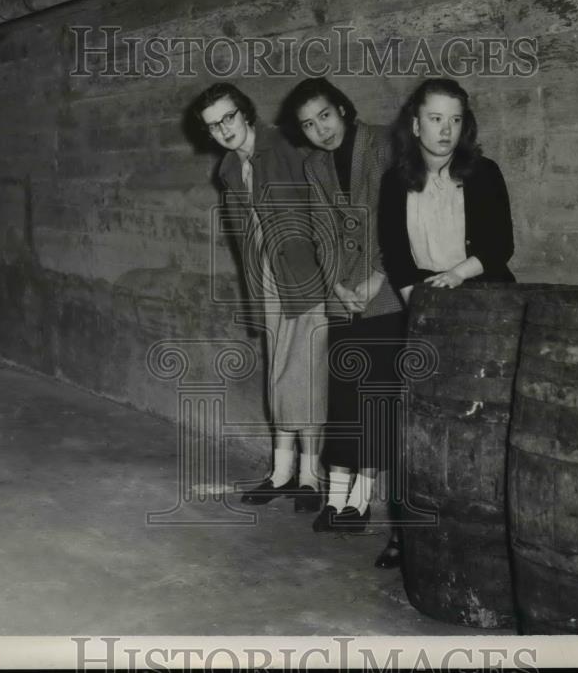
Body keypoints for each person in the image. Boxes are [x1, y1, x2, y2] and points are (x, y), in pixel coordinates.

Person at [378, 77, 515, 566]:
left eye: (455, 120)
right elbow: (395, 249)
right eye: (435, 119)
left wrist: (457, 276)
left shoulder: (484, 173)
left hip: (483, 302)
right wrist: (420, 302)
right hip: (426, 307)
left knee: (482, 422)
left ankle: (483, 537)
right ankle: (406, 534)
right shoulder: (397, 180)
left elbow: (500, 247)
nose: (445, 130)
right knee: (414, 423)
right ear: (415, 124)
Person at [278, 77, 407, 562]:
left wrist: (376, 277)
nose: (320, 130)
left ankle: (361, 499)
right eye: (309, 125)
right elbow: (320, 230)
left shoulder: (383, 147)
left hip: (387, 289)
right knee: (345, 393)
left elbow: (395, 218)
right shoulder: (314, 166)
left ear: (344, 109)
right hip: (341, 295)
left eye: (325, 116)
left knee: (377, 395)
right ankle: (336, 494)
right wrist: (335, 285)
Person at [191, 83, 328, 512]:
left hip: (304, 276)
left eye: (228, 118)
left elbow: (325, 208)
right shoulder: (231, 169)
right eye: (213, 126)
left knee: (304, 373)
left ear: (246, 113)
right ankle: (282, 472)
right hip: (267, 279)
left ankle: (309, 476)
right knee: (280, 372)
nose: (223, 130)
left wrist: (331, 273)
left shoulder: (286, 147)